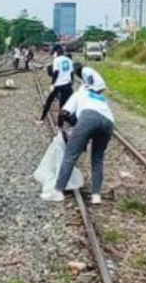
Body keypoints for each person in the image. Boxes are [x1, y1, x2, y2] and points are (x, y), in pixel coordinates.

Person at [46, 70, 115, 205]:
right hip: (108, 122)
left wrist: (60, 128)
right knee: (97, 159)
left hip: (88, 118)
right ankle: (96, 195)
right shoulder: (100, 98)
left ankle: (58, 191)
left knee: (70, 156)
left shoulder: (79, 94)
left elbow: (63, 113)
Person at [37, 46, 74, 123]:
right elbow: (71, 73)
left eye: (53, 53)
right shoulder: (69, 60)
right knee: (63, 105)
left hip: (58, 84)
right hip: (67, 84)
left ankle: (42, 119)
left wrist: (52, 84)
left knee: (49, 101)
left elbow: (56, 72)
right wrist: (71, 83)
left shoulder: (56, 60)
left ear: (56, 53)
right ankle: (61, 124)